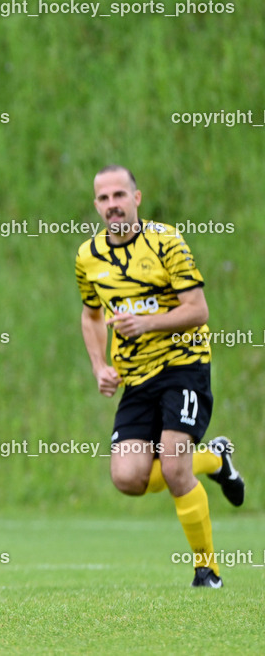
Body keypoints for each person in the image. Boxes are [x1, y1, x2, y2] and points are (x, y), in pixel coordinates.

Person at [76, 165, 244, 588]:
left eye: (119, 195)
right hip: (137, 378)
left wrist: (146, 324)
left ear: (136, 198)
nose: (112, 205)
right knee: (128, 478)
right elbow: (91, 314)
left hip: (183, 365)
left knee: (172, 467)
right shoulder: (88, 257)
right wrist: (100, 366)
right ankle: (216, 459)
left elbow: (198, 310)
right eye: (103, 198)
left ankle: (207, 570)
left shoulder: (166, 242)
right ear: (96, 205)